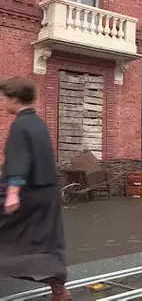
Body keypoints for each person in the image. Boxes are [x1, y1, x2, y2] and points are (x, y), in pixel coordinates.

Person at [0, 78, 71, 301]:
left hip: (26, 194)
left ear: (14, 98)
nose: (2, 103)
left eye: (4, 98)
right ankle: (59, 290)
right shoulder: (39, 123)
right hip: (47, 194)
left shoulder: (20, 125)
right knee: (42, 243)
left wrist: (12, 193)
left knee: (10, 237)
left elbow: (20, 160)